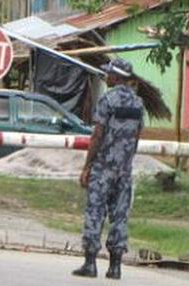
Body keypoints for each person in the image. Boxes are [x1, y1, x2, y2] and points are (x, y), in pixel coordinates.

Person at [73, 58, 144, 280]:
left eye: (109, 74)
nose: (106, 77)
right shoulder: (138, 104)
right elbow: (137, 136)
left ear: (116, 77)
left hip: (103, 167)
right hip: (124, 170)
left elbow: (97, 135)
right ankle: (115, 267)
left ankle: (90, 263)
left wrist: (87, 166)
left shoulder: (107, 100)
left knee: (95, 212)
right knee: (120, 216)